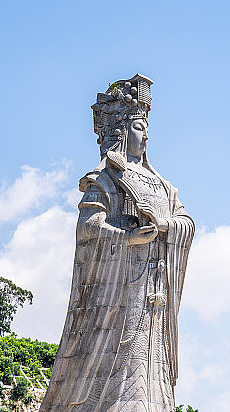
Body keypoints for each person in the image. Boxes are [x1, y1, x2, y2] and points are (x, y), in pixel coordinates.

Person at [40, 74, 194, 412]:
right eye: (140, 127)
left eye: (148, 128)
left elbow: (186, 223)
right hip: (118, 292)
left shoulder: (163, 185)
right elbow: (88, 227)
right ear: (121, 130)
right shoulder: (106, 179)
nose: (147, 134)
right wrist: (126, 237)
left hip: (154, 292)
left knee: (150, 361)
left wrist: (166, 225)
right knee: (118, 360)